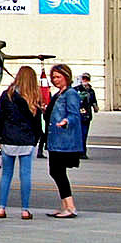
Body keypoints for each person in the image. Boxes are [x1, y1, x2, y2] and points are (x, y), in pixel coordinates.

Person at [0, 65, 42, 220]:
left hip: (9, 137)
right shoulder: (34, 97)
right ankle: (25, 210)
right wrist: (37, 138)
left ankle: (1, 208)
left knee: (6, 174)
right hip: (26, 138)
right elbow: (36, 122)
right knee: (25, 175)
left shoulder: (7, 95)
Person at [43, 64, 84, 219]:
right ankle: (65, 205)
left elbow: (74, 114)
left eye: (58, 77)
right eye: (53, 77)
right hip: (55, 139)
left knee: (58, 172)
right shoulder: (58, 94)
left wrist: (66, 121)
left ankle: (70, 206)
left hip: (63, 140)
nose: (55, 80)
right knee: (56, 171)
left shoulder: (70, 94)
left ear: (66, 77)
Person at [75, 73, 97, 159]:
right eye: (84, 79)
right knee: (78, 134)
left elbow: (93, 101)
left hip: (87, 115)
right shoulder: (77, 89)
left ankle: (83, 151)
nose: (85, 81)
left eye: (86, 79)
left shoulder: (91, 91)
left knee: (84, 134)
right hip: (78, 115)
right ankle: (78, 151)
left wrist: (95, 107)